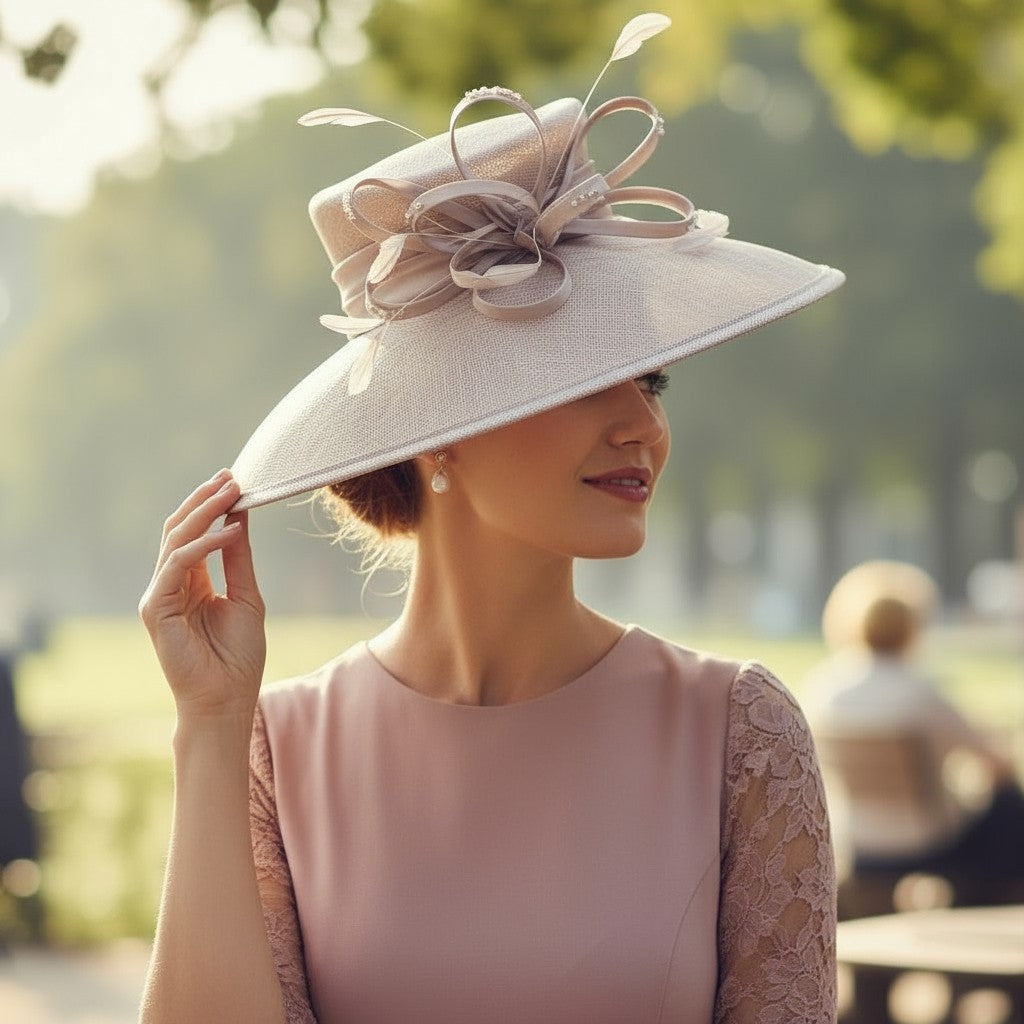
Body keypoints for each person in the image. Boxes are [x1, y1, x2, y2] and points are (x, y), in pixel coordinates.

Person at [138, 15, 844, 1024]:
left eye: (646, 378)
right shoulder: (273, 746)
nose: (644, 425)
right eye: (582, 380)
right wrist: (208, 726)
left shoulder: (739, 732)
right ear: (438, 432)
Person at [805, 560, 1024, 889]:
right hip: (924, 840)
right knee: (1007, 800)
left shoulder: (825, 688)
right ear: (913, 626)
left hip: (857, 840)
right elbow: (995, 761)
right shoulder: (922, 691)